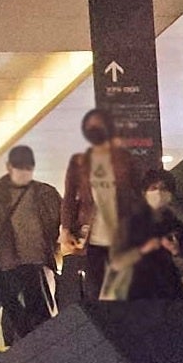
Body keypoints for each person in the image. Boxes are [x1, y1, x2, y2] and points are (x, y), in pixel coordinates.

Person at [0, 145, 64, 341]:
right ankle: (24, 348)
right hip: (18, 263)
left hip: (30, 264)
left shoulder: (45, 193)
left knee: (23, 315)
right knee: (28, 315)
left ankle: (18, 348)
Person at [64, 111, 131, 302]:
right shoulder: (79, 162)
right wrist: (66, 228)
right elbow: (69, 197)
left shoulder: (124, 160)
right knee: (95, 289)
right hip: (91, 235)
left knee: (122, 290)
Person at [116, 170, 183, 304]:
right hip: (139, 295)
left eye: (164, 188)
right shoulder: (131, 225)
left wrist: (176, 252)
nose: (159, 193)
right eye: (153, 188)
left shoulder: (177, 227)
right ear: (144, 193)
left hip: (171, 293)